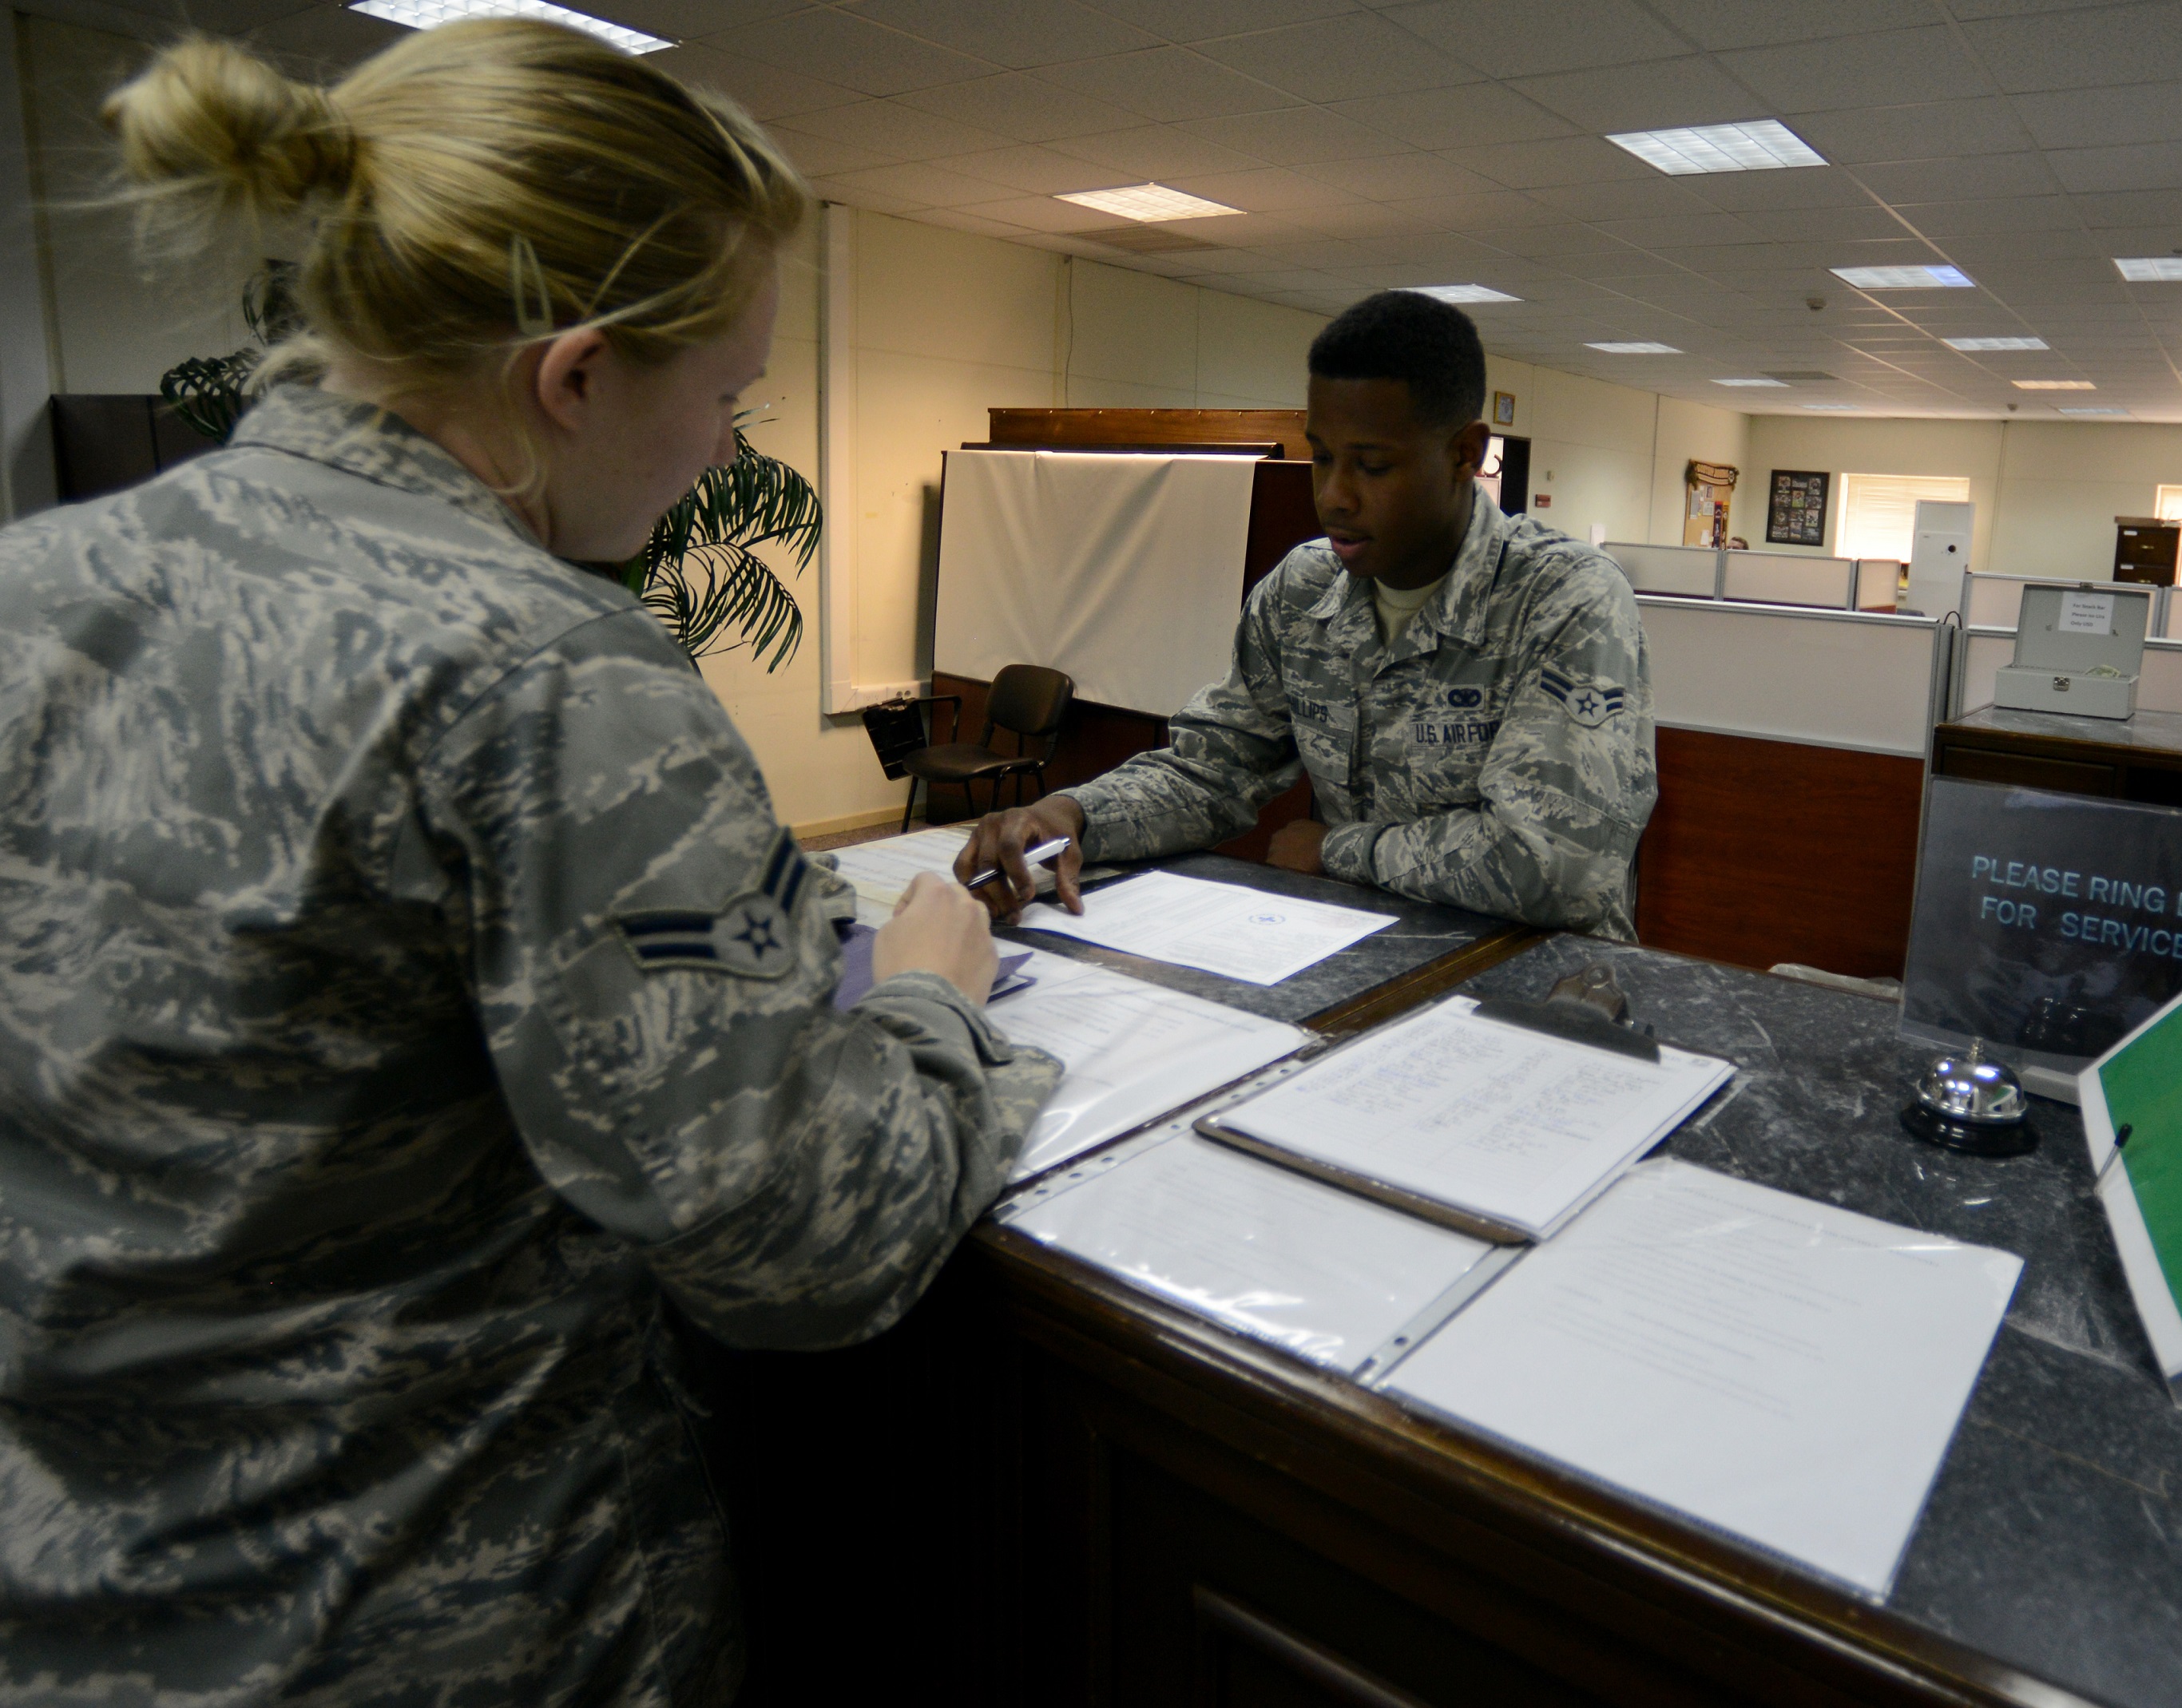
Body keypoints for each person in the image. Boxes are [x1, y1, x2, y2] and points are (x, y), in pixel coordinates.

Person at [0, 23, 1055, 1705]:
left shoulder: (36, 576)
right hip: (429, 1614)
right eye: (723, 397)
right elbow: (801, 1243)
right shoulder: (548, 669)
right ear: (571, 379)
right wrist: (930, 1003)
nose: (727, 450)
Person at [954, 290, 1657, 940]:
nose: (1334, 496)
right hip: (1355, 957)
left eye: (1371, 466)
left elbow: (1557, 864)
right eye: (1322, 458)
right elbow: (1214, 770)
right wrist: (1074, 814)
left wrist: (1337, 849)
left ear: (1463, 455)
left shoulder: (1565, 598)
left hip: (1535, 995)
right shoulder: (1303, 589)